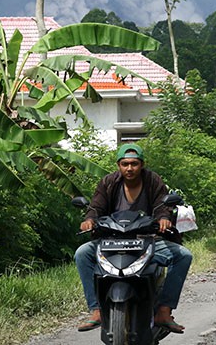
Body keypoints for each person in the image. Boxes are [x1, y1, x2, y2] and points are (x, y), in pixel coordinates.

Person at [74, 143, 192, 334]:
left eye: (134, 164)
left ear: (142, 165)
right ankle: (96, 310)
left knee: (183, 256)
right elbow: (96, 206)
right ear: (118, 165)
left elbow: (162, 205)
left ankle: (164, 311)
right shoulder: (108, 182)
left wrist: (163, 219)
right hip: (111, 240)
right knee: (82, 253)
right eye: (125, 164)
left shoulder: (153, 180)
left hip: (148, 239)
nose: (129, 168)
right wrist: (89, 220)